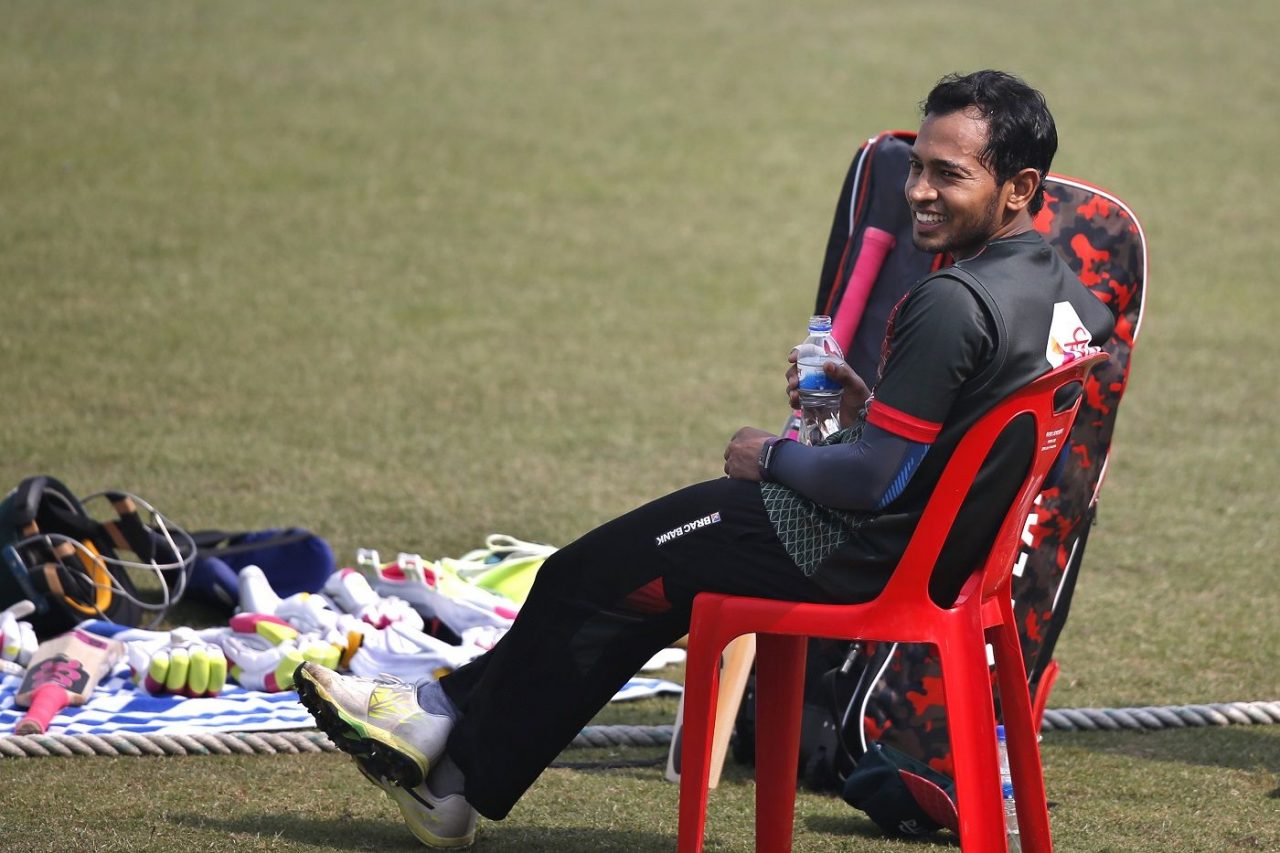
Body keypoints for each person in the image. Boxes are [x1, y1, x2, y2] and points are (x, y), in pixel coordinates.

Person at [295, 69, 1115, 848]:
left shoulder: (948, 300)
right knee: (637, 582)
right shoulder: (1065, 293)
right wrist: (870, 405)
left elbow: (868, 479)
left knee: (588, 576)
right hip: (945, 559)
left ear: (1020, 189)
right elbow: (968, 432)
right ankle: (450, 769)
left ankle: (442, 738)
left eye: (950, 175)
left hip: (856, 550)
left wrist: (767, 456)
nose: (920, 192)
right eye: (918, 169)